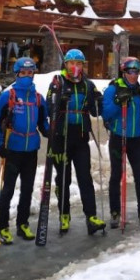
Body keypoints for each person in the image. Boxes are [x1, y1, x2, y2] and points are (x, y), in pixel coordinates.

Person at [46, 49, 106, 235]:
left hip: (80, 137)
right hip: (61, 137)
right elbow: (49, 109)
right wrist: (60, 102)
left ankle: (91, 217)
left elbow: (96, 112)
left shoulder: (87, 85)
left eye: (79, 63)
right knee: (63, 178)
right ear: (66, 64)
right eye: (72, 63)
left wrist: (98, 101)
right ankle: (64, 215)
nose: (75, 67)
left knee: (85, 178)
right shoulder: (58, 82)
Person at [0, 57, 49, 244]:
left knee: (27, 188)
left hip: (31, 149)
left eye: (30, 73)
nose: (26, 76)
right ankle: (2, 226)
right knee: (7, 189)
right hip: (13, 149)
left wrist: (52, 132)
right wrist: (0, 144)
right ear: (17, 74)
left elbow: (43, 123)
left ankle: (22, 223)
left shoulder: (38, 98)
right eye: (23, 73)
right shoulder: (9, 96)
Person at [102, 57, 140, 229]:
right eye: (130, 72)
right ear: (124, 72)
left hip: (135, 139)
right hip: (118, 137)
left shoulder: (139, 90)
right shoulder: (113, 89)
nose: (134, 75)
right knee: (116, 175)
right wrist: (119, 102)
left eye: (136, 72)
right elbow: (106, 114)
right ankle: (115, 213)